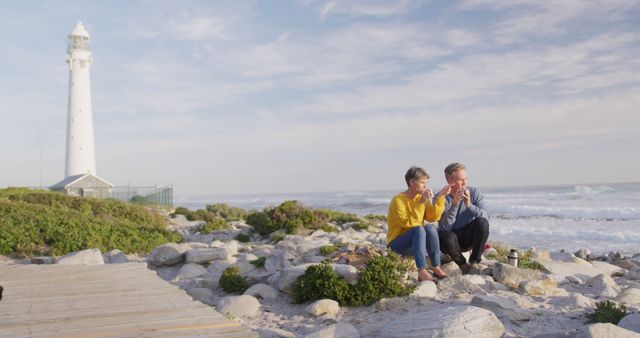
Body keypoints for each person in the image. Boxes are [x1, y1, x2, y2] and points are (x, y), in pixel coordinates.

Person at [387, 166, 452, 281]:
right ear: (411, 182)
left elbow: (433, 217)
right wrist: (422, 202)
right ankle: (421, 270)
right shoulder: (398, 200)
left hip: (416, 243)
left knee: (430, 227)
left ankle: (436, 266)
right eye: (422, 182)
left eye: (426, 183)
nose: (425, 186)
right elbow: (407, 223)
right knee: (419, 229)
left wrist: (441, 197)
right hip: (396, 245)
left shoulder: (419, 198)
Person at [437, 162, 490, 273]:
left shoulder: (474, 192)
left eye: (466, 178)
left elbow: (486, 217)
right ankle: (462, 264)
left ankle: (474, 261)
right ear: (450, 181)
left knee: (482, 223)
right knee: (446, 236)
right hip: (450, 242)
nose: (465, 182)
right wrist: (455, 205)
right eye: (461, 180)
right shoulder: (441, 197)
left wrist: (469, 205)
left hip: (467, 237)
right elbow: (445, 227)